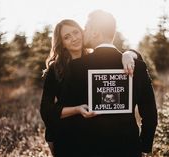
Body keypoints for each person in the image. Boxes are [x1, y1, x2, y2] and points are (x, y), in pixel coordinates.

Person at [59, 10, 158, 157]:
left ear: (95, 33)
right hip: (128, 149)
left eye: (86, 29)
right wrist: (143, 147)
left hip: (87, 149)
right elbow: (150, 113)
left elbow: (67, 115)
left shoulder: (76, 67)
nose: (83, 32)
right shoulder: (137, 66)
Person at [40, 19, 140, 156]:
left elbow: (117, 54)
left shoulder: (96, 61)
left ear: (82, 32)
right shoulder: (56, 69)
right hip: (67, 134)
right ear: (61, 43)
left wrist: (129, 54)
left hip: (94, 136)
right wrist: (77, 109)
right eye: (67, 37)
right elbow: (46, 110)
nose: (74, 38)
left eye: (76, 32)